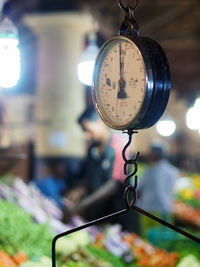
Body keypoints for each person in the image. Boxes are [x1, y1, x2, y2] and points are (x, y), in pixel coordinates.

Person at [64, 108, 139, 232]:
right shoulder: (92, 150)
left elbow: (113, 185)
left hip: (119, 219)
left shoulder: (119, 145)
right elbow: (90, 180)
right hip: (99, 218)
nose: (86, 136)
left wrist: (82, 205)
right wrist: (79, 191)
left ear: (99, 123)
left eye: (87, 130)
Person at [137, 140, 179, 221]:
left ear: (154, 154)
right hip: (166, 209)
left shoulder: (149, 172)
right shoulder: (173, 171)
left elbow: (139, 190)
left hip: (149, 211)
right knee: (165, 233)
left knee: (149, 233)